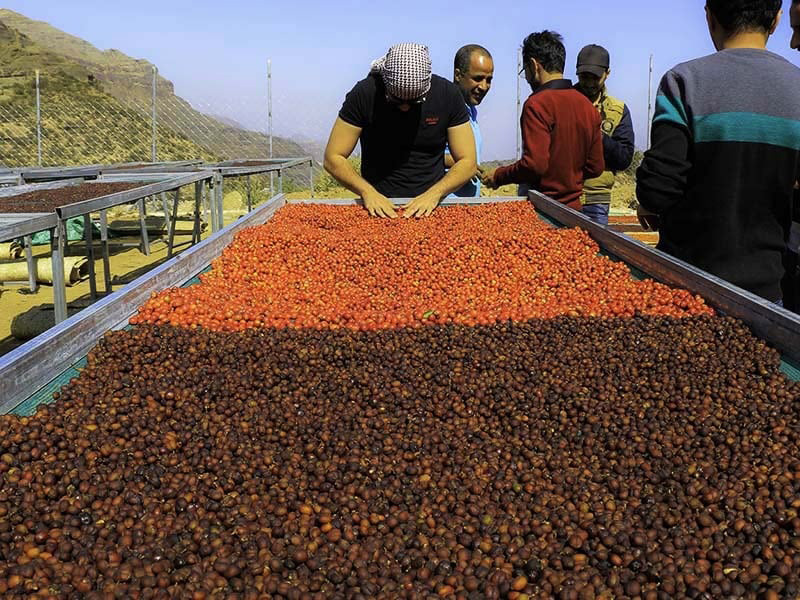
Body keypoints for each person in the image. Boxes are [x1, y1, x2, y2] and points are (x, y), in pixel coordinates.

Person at [636, 0, 800, 304]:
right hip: (765, 293)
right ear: (777, 19)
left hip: (684, 287)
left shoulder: (683, 82)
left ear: (709, 16)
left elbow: (658, 189)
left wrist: (648, 200)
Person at [323, 43, 477, 218]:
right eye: (396, 100)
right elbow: (333, 157)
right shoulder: (365, 94)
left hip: (432, 207)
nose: (404, 107)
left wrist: (434, 194)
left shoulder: (447, 95)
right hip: (377, 208)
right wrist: (368, 192)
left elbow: (468, 162)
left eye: (414, 102)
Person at [481, 31, 604, 210]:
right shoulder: (587, 107)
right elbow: (596, 167)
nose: (528, 78)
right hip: (575, 210)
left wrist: (499, 176)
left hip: (542, 210)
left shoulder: (537, 104)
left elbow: (534, 165)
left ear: (533, 65)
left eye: (526, 71)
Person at [574, 44, 635, 226]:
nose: (590, 83)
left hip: (597, 199)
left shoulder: (618, 110)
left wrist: (597, 137)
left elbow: (624, 158)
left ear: (607, 74)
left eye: (595, 78)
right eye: (585, 77)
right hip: (564, 196)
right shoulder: (564, 102)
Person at [445, 45, 494, 197]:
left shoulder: (471, 112)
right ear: (458, 75)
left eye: (489, 80)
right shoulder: (443, 108)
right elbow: (420, 154)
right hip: (446, 205)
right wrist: (462, 164)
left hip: (467, 208)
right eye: (478, 78)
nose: (484, 87)